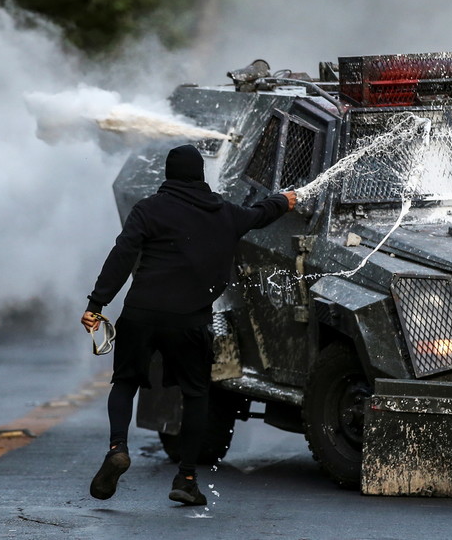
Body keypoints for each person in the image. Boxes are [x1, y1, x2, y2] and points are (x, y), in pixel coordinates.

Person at [81, 144, 296, 506]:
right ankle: (187, 477)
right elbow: (258, 214)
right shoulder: (224, 214)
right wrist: (284, 200)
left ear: (168, 175)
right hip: (190, 320)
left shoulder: (148, 210)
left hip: (142, 313)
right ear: (200, 175)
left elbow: (122, 255)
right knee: (196, 395)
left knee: (124, 382)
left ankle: (117, 448)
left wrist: (96, 303)